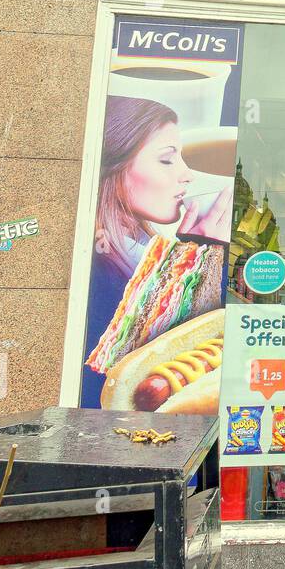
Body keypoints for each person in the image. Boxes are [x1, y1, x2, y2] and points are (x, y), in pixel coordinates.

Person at [82, 96, 231, 405]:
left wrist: (193, 257)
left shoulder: (141, 250)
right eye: (166, 160)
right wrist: (203, 257)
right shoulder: (99, 263)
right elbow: (127, 360)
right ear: (115, 166)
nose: (187, 174)